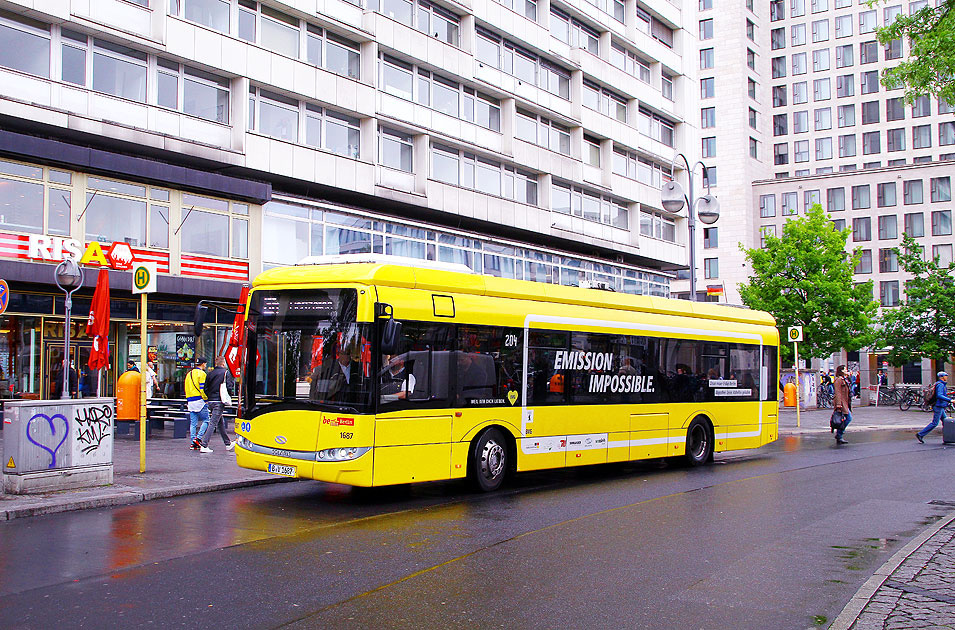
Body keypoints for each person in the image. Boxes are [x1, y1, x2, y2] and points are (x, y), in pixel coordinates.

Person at [199, 357, 234, 452]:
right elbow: (229, 387)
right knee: (213, 423)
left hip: (211, 401)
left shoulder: (210, 373)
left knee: (220, 422)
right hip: (219, 401)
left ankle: (228, 443)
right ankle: (204, 445)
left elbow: (205, 388)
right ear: (223, 364)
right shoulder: (226, 373)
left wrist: (209, 397)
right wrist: (229, 396)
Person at [917, 371, 951, 443]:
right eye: (945, 376)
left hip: (940, 406)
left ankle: (948, 438)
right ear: (942, 377)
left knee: (945, 422)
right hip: (938, 406)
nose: (947, 377)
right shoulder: (941, 385)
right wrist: (950, 400)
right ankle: (920, 434)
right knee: (935, 423)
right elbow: (939, 395)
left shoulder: (938, 384)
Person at [184, 358, 209, 451]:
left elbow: (186, 388)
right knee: (206, 420)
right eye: (205, 364)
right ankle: (198, 438)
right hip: (199, 400)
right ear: (203, 364)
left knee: (193, 423)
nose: (206, 366)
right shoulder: (202, 374)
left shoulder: (189, 374)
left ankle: (192, 442)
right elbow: (202, 388)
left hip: (190, 400)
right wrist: (206, 398)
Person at [832, 365, 852, 445]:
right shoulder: (839, 380)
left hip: (845, 402)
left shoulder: (845, 379)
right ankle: (839, 434)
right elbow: (838, 392)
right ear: (841, 370)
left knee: (845, 418)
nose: (846, 370)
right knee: (848, 418)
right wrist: (838, 404)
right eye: (845, 369)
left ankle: (839, 435)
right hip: (841, 403)